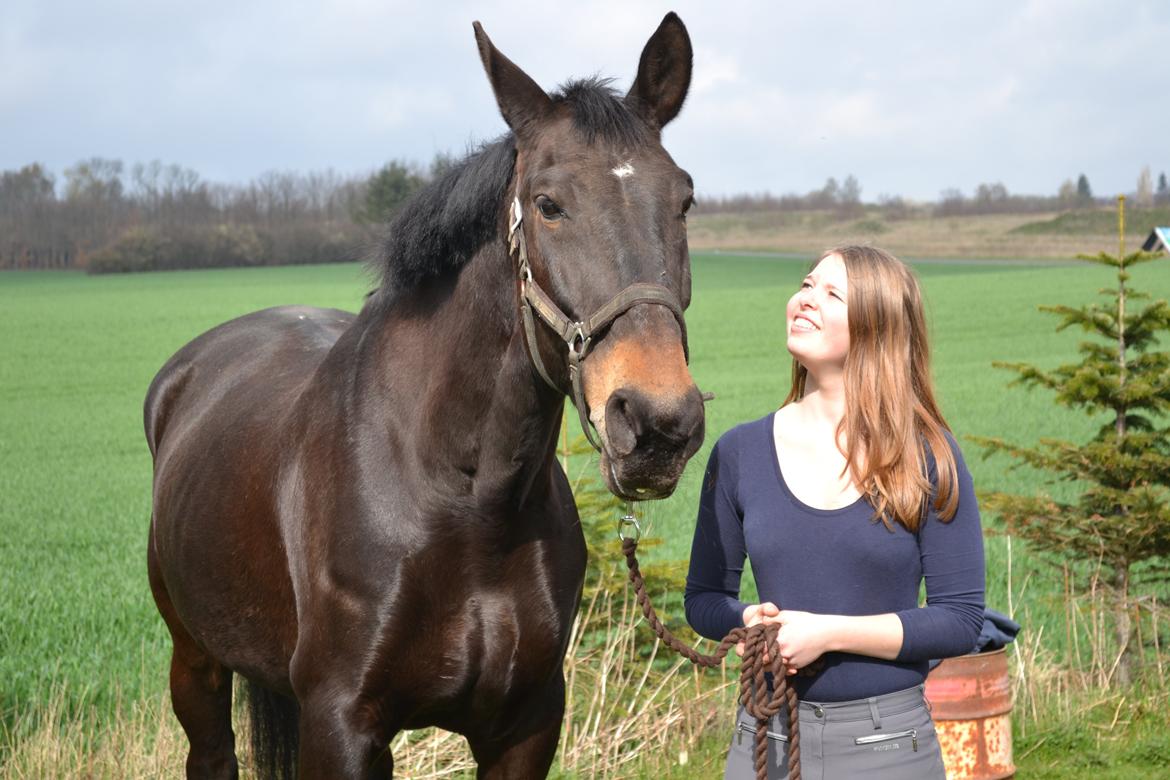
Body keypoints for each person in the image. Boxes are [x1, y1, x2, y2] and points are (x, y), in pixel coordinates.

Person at [684, 246, 985, 779]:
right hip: (765, 743)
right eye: (806, 284)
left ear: (877, 326)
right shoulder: (738, 453)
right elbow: (703, 600)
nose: (805, 299)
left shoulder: (928, 455)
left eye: (831, 294)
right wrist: (747, 620)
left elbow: (960, 620)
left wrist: (829, 634)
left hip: (889, 746)